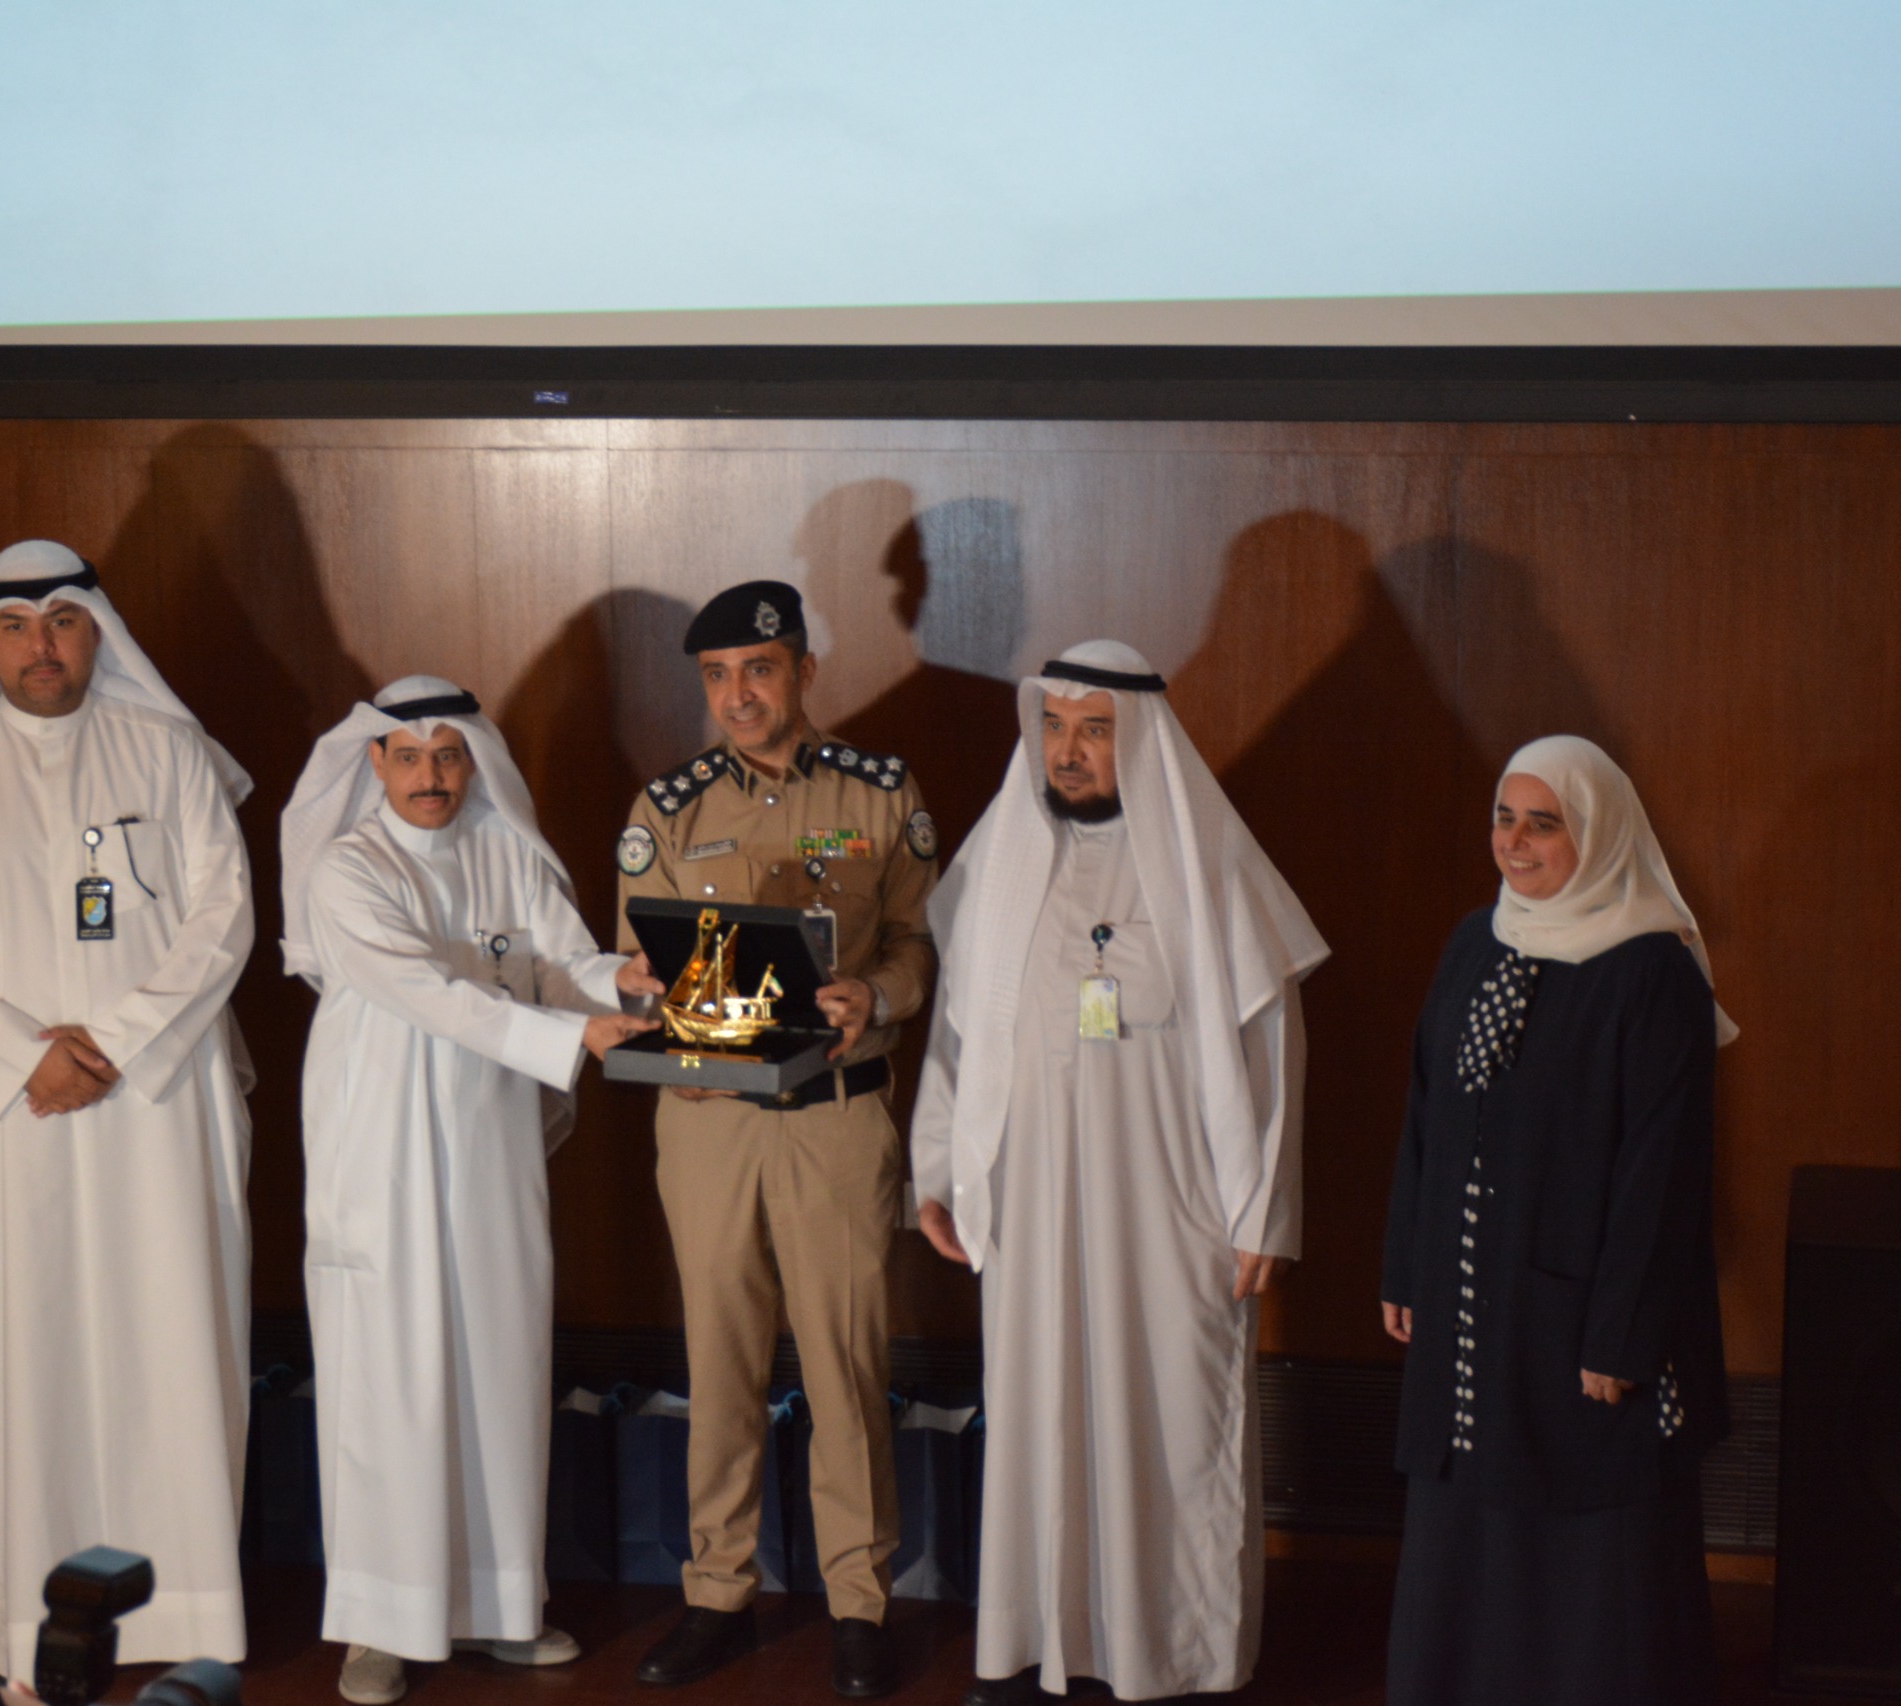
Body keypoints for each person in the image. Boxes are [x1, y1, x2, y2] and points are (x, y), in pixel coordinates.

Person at [0, 541, 255, 1681]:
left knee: (173, 1344)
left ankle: (187, 1624)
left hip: (156, 1111)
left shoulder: (167, 753)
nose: (42, 646)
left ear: (96, 632)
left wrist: (115, 1043)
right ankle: (36, 1631)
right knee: (23, 1365)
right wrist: (19, 1055)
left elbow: (224, 915)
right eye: (16, 626)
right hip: (7, 1123)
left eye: (63, 621)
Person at [910, 640, 1329, 1702]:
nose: (1068, 750)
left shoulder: (1207, 865)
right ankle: (1033, 1648)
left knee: (1171, 1424)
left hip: (1173, 1213)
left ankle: (1173, 1655)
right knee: (1039, 1421)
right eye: (1054, 727)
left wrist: (1264, 1215)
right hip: (1032, 1209)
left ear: (1138, 737)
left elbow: (1272, 1053)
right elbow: (957, 1038)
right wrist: (935, 1170)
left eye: (1094, 730)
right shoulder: (997, 862)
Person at [278, 676, 660, 1705]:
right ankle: (378, 1626)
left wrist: (619, 981)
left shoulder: (505, 850)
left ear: (471, 760)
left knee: (498, 1364)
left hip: (490, 1144)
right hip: (381, 1151)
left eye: (449, 756)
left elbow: (555, 962)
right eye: (409, 757)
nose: (432, 777)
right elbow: (428, 993)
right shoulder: (347, 868)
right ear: (375, 763)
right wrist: (571, 1029)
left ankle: (500, 1606)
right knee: (388, 1380)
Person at [616, 580, 939, 1698]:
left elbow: (916, 939)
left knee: (846, 1366)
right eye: (716, 677)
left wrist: (877, 995)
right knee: (720, 1363)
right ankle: (718, 1590)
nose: (737, 695)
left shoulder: (879, 792)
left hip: (836, 1117)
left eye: (757, 670)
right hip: (708, 1122)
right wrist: (642, 982)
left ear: (803, 670)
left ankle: (859, 1603)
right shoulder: (667, 807)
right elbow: (638, 955)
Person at [1380, 734, 1735, 1705]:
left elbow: (1662, 1175)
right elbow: (1425, 1114)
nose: (1515, 842)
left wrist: (1621, 1334)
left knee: (1588, 1532)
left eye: (1544, 824)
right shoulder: (1476, 941)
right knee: (1470, 1522)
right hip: (1470, 1305)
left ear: (1600, 834)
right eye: (1505, 817)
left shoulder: (1652, 972)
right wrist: (1408, 1266)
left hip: (1582, 1319)